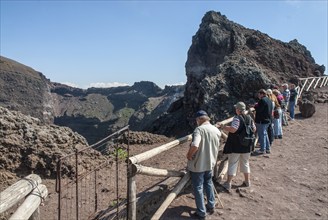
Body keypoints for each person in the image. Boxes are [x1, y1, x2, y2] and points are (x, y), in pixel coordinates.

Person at [187, 110, 221, 219]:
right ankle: (211, 204)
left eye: (197, 120)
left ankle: (201, 212)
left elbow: (195, 144)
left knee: (198, 187)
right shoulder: (216, 130)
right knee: (209, 183)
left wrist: (189, 155)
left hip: (198, 165)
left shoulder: (199, 130)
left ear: (200, 119)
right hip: (210, 163)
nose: (196, 122)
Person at [219, 102, 256, 191]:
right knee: (245, 163)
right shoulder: (249, 118)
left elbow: (233, 129)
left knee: (232, 164)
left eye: (236, 108)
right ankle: (247, 181)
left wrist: (224, 127)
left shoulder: (237, 118)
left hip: (236, 145)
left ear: (238, 110)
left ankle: (228, 183)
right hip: (247, 146)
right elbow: (254, 129)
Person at [253, 89, 273, 154]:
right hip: (267, 120)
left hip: (262, 120)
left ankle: (262, 149)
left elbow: (259, 110)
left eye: (259, 94)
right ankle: (267, 148)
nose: (258, 96)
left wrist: (255, 106)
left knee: (262, 135)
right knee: (265, 134)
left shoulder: (262, 100)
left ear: (262, 94)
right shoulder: (269, 100)